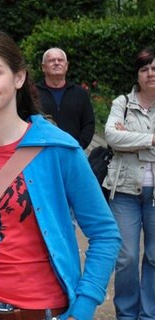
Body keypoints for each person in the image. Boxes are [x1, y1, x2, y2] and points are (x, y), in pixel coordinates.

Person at [0, 30, 121, 320]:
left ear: (18, 78)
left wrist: (83, 308)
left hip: (45, 311)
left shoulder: (58, 149)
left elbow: (105, 234)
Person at [103, 47, 155, 320]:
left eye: (154, 68)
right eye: (145, 69)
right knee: (127, 259)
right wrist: (150, 139)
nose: (150, 73)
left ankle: (148, 315)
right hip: (123, 190)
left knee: (154, 258)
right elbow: (111, 137)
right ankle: (126, 314)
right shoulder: (122, 103)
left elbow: (122, 140)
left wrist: (131, 140)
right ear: (137, 74)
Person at [36, 48, 95, 149]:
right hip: (41, 154)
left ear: (66, 66)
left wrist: (79, 146)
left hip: (73, 151)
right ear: (43, 67)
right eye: (51, 60)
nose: (56, 63)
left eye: (60, 60)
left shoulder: (80, 93)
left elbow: (89, 123)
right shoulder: (33, 93)